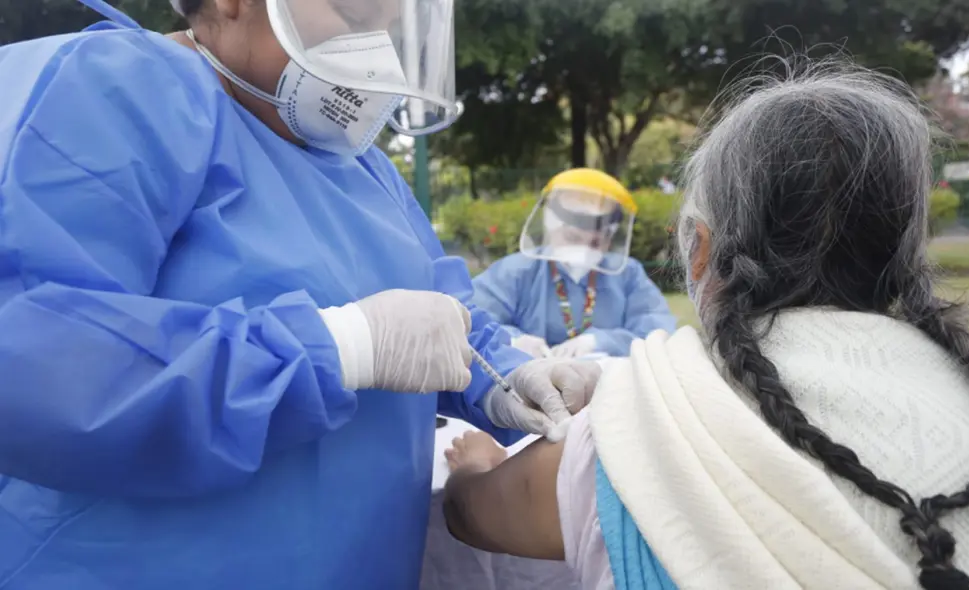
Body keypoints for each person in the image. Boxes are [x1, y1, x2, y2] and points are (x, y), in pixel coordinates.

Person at [0, 1, 603, 588]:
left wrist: (505, 380)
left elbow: (442, 318)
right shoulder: (122, 91)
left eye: (391, 21)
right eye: (354, 16)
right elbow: (34, 362)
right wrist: (337, 348)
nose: (379, 43)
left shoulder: (361, 166)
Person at [442, 61, 969, 590]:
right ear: (907, 247)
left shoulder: (636, 423)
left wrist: (477, 464)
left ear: (699, 252)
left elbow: (472, 512)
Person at [472, 169, 676, 360]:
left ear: (610, 236)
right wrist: (513, 340)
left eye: (595, 242)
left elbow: (659, 329)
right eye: (572, 238)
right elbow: (470, 317)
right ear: (551, 226)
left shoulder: (627, 273)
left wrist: (601, 341)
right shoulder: (516, 270)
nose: (584, 249)